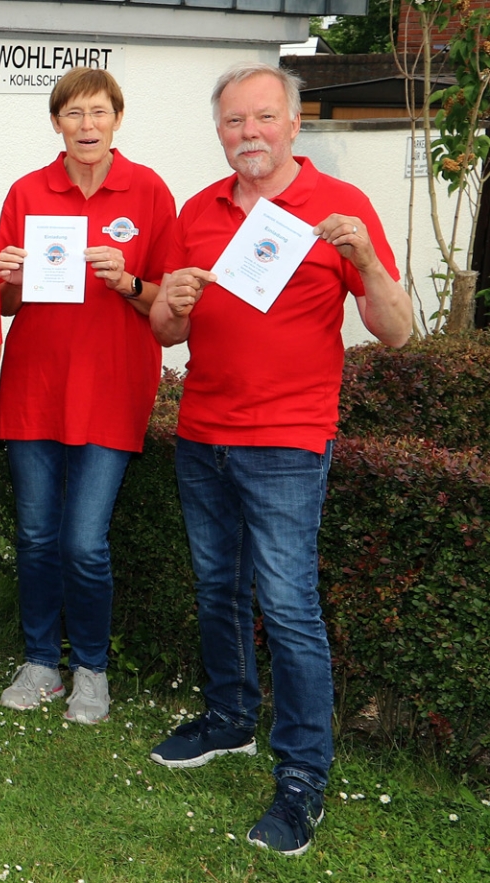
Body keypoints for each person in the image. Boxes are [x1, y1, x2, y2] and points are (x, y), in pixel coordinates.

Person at [147, 63, 411, 855]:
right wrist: (172, 303)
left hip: (290, 441)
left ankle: (302, 776)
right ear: (220, 132)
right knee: (218, 585)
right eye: (234, 121)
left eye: (264, 117)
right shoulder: (198, 211)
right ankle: (229, 717)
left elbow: (396, 330)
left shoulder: (342, 208)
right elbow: (163, 329)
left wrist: (364, 257)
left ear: (295, 125)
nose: (249, 132)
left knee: (290, 606)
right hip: (203, 432)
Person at [0, 68, 175, 725]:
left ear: (117, 119)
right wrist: (5, 277)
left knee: (85, 543)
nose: (87, 125)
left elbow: (170, 306)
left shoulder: (149, 191)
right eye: (74, 114)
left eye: (99, 112)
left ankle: (91, 671)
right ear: (57, 123)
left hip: (111, 389)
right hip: (36, 387)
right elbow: (4, 304)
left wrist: (128, 280)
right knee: (38, 534)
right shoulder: (27, 191)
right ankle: (41, 660)